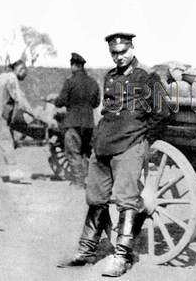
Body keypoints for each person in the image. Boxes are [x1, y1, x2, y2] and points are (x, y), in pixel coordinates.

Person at [58, 33, 169, 277]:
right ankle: (85, 251)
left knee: (126, 199)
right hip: (104, 144)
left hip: (130, 144)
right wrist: (98, 140)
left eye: (123, 52)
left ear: (132, 49)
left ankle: (121, 256)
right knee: (95, 197)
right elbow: (107, 110)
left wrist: (144, 140)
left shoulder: (147, 78)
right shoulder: (110, 77)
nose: (119, 57)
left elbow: (162, 113)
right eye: (114, 53)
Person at [51, 52, 100, 188]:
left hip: (73, 123)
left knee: (73, 152)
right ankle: (89, 180)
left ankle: (78, 182)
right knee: (86, 152)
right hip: (89, 124)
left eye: (71, 65)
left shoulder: (70, 82)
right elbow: (96, 103)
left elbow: (61, 101)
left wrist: (55, 101)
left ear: (74, 66)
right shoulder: (93, 82)